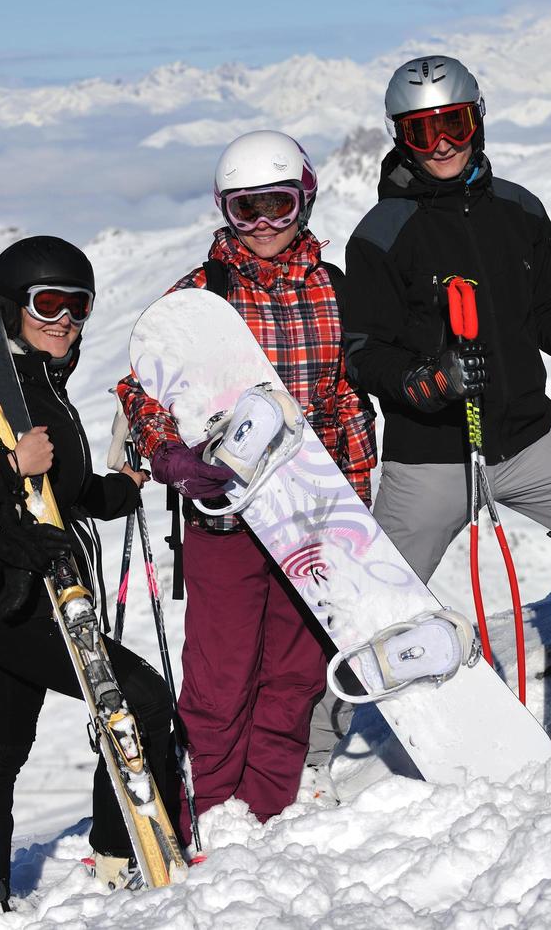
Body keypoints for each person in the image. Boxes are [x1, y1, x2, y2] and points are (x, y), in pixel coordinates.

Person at [334, 54, 551, 666]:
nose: (442, 144)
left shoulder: (518, 211)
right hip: (429, 465)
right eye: (423, 131)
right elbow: (364, 353)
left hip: (532, 446)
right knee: (368, 611)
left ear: (478, 121)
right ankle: (312, 752)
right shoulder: (381, 234)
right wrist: (426, 382)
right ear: (399, 137)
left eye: (456, 124)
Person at [116, 130, 376, 833]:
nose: (263, 224)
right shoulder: (202, 295)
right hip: (226, 516)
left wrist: (356, 491)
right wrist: (170, 454)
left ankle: (264, 812)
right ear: (224, 211)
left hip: (311, 511)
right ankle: (206, 810)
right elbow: (142, 390)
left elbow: (346, 395)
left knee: (294, 675)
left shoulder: (334, 288)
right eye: (245, 209)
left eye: (278, 205)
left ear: (307, 198)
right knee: (220, 678)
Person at [0, 235, 178, 908]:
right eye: (48, 302)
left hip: (32, 596)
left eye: (78, 305)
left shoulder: (41, 385)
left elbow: (60, 488)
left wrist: (115, 490)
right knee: (142, 701)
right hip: (9, 601)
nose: (66, 318)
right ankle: (123, 852)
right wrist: (10, 468)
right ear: (9, 309)